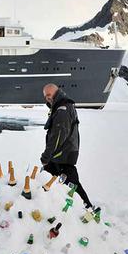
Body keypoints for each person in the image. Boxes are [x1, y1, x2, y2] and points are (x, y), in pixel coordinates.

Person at [40, 84, 96, 212]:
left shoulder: (63, 110)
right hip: (61, 155)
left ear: (56, 92)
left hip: (63, 156)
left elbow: (58, 136)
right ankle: (50, 209)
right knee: (47, 182)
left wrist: (46, 156)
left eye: (49, 94)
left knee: (72, 186)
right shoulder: (62, 107)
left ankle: (88, 209)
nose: (47, 98)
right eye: (45, 96)